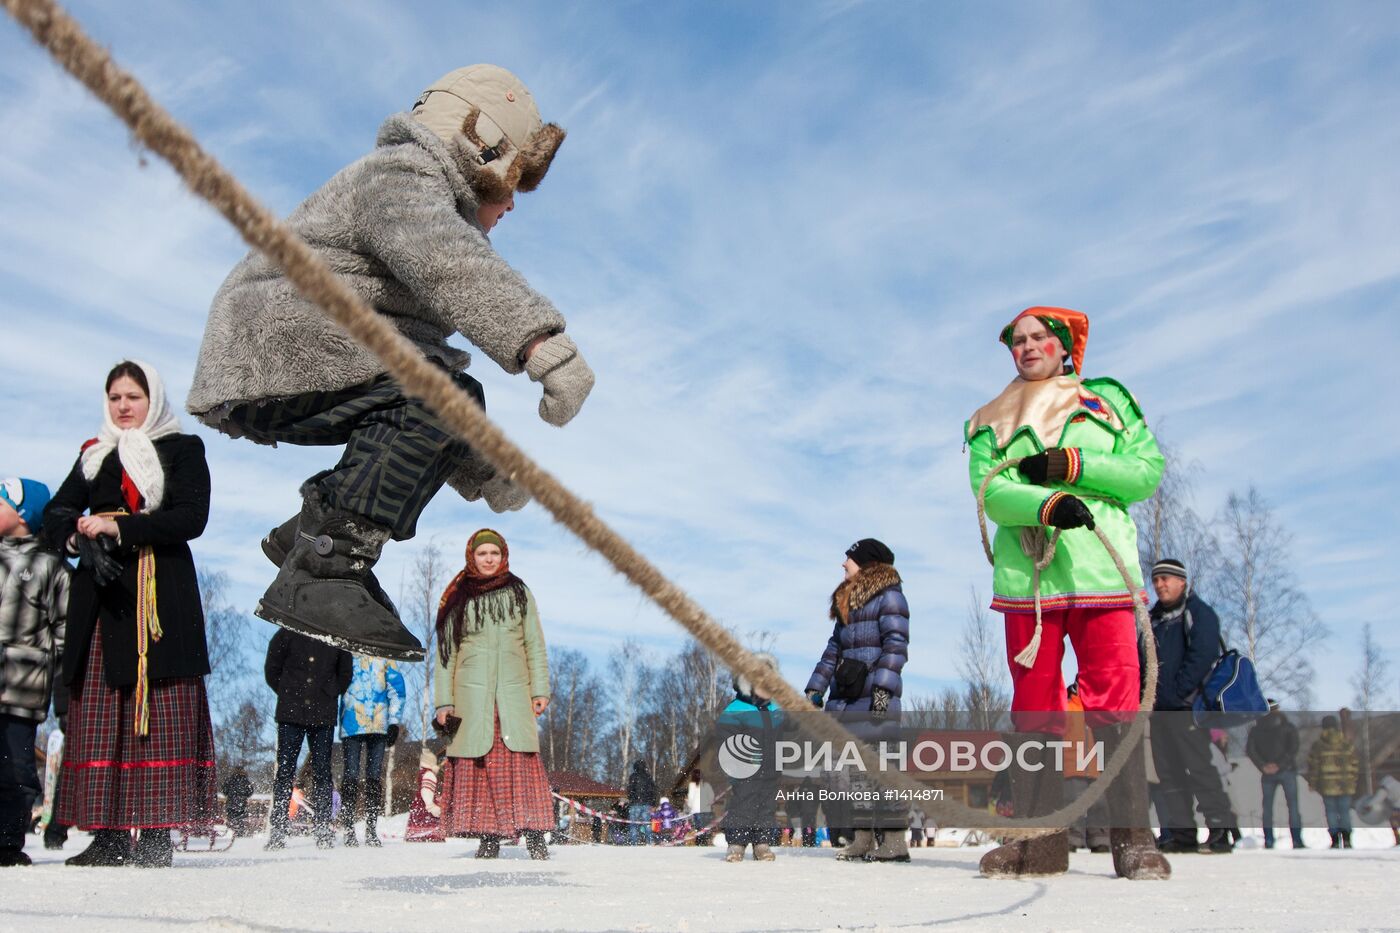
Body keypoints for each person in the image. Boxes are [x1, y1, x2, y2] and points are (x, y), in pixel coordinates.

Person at [186, 65, 593, 663]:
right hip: (276, 343)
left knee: (454, 393)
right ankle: (328, 566)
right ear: (479, 145)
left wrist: (488, 468)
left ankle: (311, 535)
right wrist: (541, 345)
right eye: (511, 181)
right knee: (437, 389)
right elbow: (449, 263)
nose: (511, 203)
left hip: (311, 353)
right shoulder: (401, 175)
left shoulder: (421, 198)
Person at [965, 307, 1169, 880]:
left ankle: (1133, 842)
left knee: (1116, 704)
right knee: (1035, 711)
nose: (1027, 348)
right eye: (1018, 341)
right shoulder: (987, 420)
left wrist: (1076, 465)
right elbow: (993, 494)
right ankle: (1040, 846)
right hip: (1028, 582)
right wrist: (1046, 502)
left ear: (1063, 345)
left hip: (1101, 572)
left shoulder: (1105, 401)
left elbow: (1145, 471)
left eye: (1038, 338)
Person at [45, 361, 217, 869]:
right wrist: (79, 540)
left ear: (153, 400)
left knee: (160, 710)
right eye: (115, 397)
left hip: (159, 596)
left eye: (133, 396)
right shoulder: (93, 457)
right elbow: (54, 516)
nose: (123, 406)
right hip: (102, 599)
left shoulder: (182, 450)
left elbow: (191, 516)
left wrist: (120, 530)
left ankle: (159, 831)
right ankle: (111, 835)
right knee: (104, 710)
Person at [433, 529, 553, 860]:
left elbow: (534, 644)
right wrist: (445, 701)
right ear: (472, 556)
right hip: (470, 697)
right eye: (482, 553)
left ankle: (533, 834)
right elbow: (446, 655)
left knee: (519, 761)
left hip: (514, 693)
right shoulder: (458, 597)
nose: (488, 559)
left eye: (494, 554)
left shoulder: (519, 592)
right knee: (480, 764)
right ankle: (488, 836)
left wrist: (540, 688)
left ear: (504, 557)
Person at [805, 537, 910, 863]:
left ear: (865, 562)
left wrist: (883, 688)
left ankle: (894, 842)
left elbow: (896, 644)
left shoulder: (890, 596)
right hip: (846, 699)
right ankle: (863, 838)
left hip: (875, 699)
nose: (843, 564)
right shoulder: (847, 603)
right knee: (852, 774)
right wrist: (815, 688)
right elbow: (832, 651)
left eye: (848, 558)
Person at [0, 477, 69, 868]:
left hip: (23, 688)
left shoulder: (50, 567)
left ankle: (8, 839)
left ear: (23, 515)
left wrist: (62, 685)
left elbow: (64, 630)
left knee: (15, 765)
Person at [1148, 558, 1238, 854]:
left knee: (1199, 768)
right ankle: (1182, 832)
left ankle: (1220, 829)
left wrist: (1177, 691)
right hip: (1158, 710)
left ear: (1182, 582)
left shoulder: (1198, 613)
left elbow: (1202, 656)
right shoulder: (1153, 619)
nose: (1160, 584)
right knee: (1169, 773)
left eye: (1166, 579)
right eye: (1156, 579)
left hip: (1188, 707)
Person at [265, 629, 352, 850]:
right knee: (285, 770)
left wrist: (330, 691)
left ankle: (323, 828)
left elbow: (345, 673)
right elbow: (272, 668)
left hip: (323, 712)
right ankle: (278, 828)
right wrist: (288, 691)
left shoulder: (336, 636)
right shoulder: (287, 633)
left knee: (323, 771)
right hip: (290, 712)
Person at [719, 653, 785, 862]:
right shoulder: (736, 710)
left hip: (771, 767)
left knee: (766, 805)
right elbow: (725, 740)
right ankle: (736, 844)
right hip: (745, 768)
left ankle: (762, 843)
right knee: (744, 803)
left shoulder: (775, 709)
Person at [338, 654, 406, 847]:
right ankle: (349, 828)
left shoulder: (384, 656)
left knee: (374, 777)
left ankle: (371, 829)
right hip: (352, 722)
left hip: (379, 724)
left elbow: (397, 689)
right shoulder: (347, 653)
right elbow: (337, 682)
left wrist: (394, 721)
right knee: (350, 775)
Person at [1247, 699, 1305, 849]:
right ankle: (1297, 840)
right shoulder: (1288, 726)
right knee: (1292, 806)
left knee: (1267, 808)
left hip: (1267, 773)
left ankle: (1269, 840)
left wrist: (1263, 765)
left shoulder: (1256, 729)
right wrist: (1280, 764)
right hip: (1287, 770)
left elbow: (1251, 751)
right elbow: (1293, 748)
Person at [1064, 683, 1110, 854]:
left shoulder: (1099, 705)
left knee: (1100, 804)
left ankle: (1100, 838)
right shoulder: (1067, 705)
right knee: (1072, 802)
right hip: (1072, 762)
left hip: (1096, 764)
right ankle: (1071, 838)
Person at [1306, 716, 1359, 849]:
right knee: (1345, 811)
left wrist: (1312, 783)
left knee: (1330, 811)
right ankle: (1347, 839)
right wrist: (1353, 780)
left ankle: (1335, 840)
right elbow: (1354, 764)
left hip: (1326, 785)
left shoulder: (1318, 745)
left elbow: (1314, 766)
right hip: (1345, 785)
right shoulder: (1346, 743)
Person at [404, 746, 444, 843]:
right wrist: (430, 805)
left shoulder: (422, 773)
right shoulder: (429, 775)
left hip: (419, 803)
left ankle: (416, 833)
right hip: (425, 804)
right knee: (427, 818)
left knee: (418, 817)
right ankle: (428, 834)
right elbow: (426, 791)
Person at [626, 761, 659, 846]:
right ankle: (649, 842)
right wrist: (654, 803)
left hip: (635, 803)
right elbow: (653, 790)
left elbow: (630, 790)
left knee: (633, 824)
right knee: (647, 824)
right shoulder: (648, 777)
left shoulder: (633, 777)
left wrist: (631, 799)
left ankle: (634, 843)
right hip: (646, 803)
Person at [221, 767, 255, 837]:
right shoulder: (246, 781)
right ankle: (239, 834)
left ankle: (231, 834)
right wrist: (243, 795)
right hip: (241, 804)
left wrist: (231, 794)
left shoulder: (229, 780)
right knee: (240, 820)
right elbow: (250, 792)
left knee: (231, 819)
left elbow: (224, 791)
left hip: (231, 803)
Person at [685, 769, 716, 845]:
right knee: (705, 828)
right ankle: (706, 841)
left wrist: (689, 805)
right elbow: (712, 797)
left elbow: (691, 798)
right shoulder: (707, 785)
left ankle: (700, 842)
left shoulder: (692, 785)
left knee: (698, 828)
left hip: (696, 810)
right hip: (706, 810)